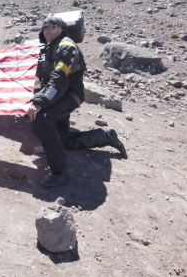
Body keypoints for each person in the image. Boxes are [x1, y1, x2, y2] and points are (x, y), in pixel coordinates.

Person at [27, 14, 127, 188]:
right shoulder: (50, 47)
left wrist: (40, 101)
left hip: (69, 95)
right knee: (63, 140)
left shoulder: (66, 47)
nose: (47, 30)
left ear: (61, 29)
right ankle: (105, 136)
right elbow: (43, 75)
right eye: (44, 28)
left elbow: (59, 78)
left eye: (51, 26)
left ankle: (59, 172)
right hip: (57, 94)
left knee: (41, 120)